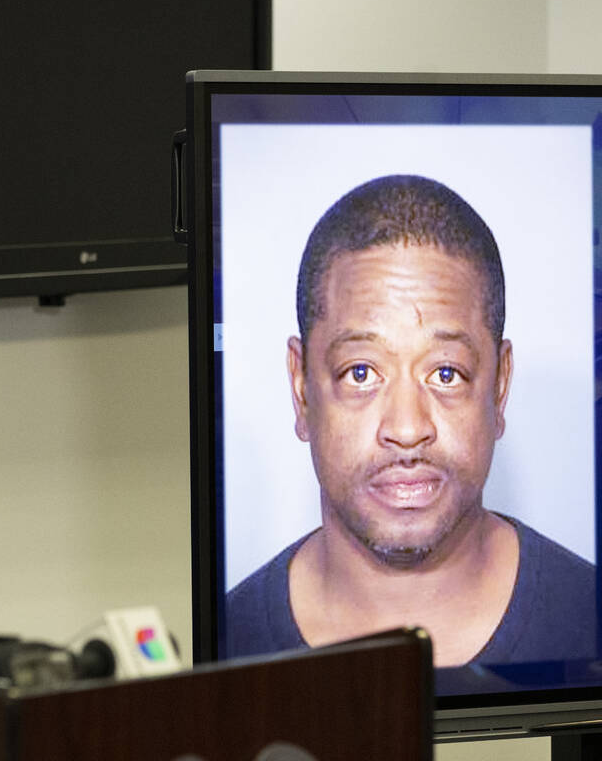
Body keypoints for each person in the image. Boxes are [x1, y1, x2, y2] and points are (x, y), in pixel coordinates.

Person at [225, 174, 596, 670]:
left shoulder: (589, 620)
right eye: (360, 372)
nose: (405, 427)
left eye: (445, 373)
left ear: (500, 385)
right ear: (301, 389)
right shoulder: (227, 650)